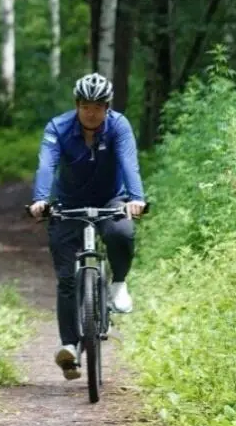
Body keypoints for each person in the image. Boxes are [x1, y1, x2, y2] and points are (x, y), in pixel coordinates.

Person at [28, 73, 147, 381]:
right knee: (67, 279)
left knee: (121, 233)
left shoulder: (119, 127)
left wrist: (136, 199)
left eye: (98, 107)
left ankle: (118, 283)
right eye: (85, 106)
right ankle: (69, 345)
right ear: (76, 105)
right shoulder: (57, 128)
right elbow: (46, 165)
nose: (91, 113)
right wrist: (40, 200)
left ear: (107, 107)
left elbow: (129, 163)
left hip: (111, 199)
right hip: (68, 204)